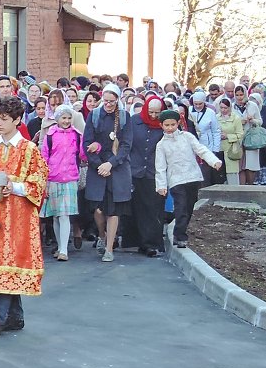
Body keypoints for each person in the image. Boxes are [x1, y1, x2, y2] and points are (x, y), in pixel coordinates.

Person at [0, 97, 49, 336]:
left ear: (17, 120)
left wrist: (14, 187)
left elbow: (39, 182)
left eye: (4, 119)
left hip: (19, 216)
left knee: (10, 260)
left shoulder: (30, 150)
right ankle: (14, 316)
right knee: (3, 262)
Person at [155, 109, 222, 249]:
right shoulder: (161, 145)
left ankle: (181, 231)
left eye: (173, 124)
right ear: (161, 125)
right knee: (181, 207)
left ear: (178, 123)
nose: (170, 128)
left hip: (192, 177)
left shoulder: (187, 137)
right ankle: (179, 236)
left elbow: (200, 149)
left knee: (189, 206)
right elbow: (160, 167)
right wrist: (161, 186)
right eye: (166, 125)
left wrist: (213, 161)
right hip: (176, 180)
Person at [82, 84, 132, 262]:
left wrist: (111, 164)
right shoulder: (95, 116)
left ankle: (109, 248)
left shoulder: (125, 117)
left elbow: (126, 145)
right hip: (98, 168)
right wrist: (99, 165)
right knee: (97, 209)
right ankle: (102, 236)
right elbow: (87, 142)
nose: (109, 104)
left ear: (118, 100)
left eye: (112, 101)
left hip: (117, 169)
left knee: (114, 210)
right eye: (106, 101)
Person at [40, 105, 85, 262]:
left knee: (64, 215)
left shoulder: (77, 135)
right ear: (57, 119)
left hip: (70, 178)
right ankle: (60, 247)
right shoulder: (50, 135)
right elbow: (44, 156)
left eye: (68, 118)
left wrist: (95, 148)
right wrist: (43, 176)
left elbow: (83, 154)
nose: (66, 121)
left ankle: (64, 249)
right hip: (52, 178)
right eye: (63, 118)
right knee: (56, 216)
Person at [129, 94, 166, 257]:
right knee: (136, 208)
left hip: (154, 172)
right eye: (151, 112)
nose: (153, 116)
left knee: (152, 209)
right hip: (135, 170)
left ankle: (150, 243)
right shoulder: (134, 121)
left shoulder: (164, 124)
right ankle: (135, 241)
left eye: (157, 113)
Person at [188, 91, 222, 186]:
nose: (198, 106)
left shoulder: (210, 113)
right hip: (193, 146)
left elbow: (216, 131)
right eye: (196, 104)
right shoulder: (189, 111)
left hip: (207, 146)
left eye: (200, 104)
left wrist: (215, 149)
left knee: (206, 174)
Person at [234, 86, 262, 185]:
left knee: (251, 164)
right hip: (238, 139)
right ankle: (242, 188)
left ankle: (251, 186)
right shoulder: (232, 107)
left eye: (241, 95)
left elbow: (260, 121)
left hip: (251, 138)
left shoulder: (252, 106)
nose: (239, 97)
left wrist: (252, 120)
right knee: (240, 165)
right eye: (237, 95)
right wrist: (239, 122)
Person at [216, 96, 244, 185]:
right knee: (220, 174)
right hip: (219, 149)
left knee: (232, 174)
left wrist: (228, 136)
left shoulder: (236, 118)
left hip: (231, 150)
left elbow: (240, 134)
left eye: (225, 108)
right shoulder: (216, 118)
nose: (223, 110)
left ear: (229, 107)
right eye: (221, 107)